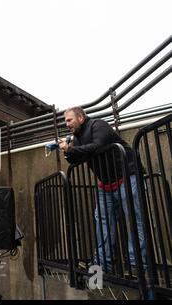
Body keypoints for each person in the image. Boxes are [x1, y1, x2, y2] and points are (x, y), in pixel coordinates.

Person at [59, 106, 147, 273]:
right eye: (65, 121)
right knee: (103, 222)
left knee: (135, 218)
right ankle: (103, 263)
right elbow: (75, 159)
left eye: (69, 120)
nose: (67, 123)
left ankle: (137, 263)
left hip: (128, 175)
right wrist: (67, 151)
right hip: (106, 183)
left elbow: (96, 146)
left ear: (81, 118)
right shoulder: (76, 139)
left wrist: (71, 149)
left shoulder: (97, 125)